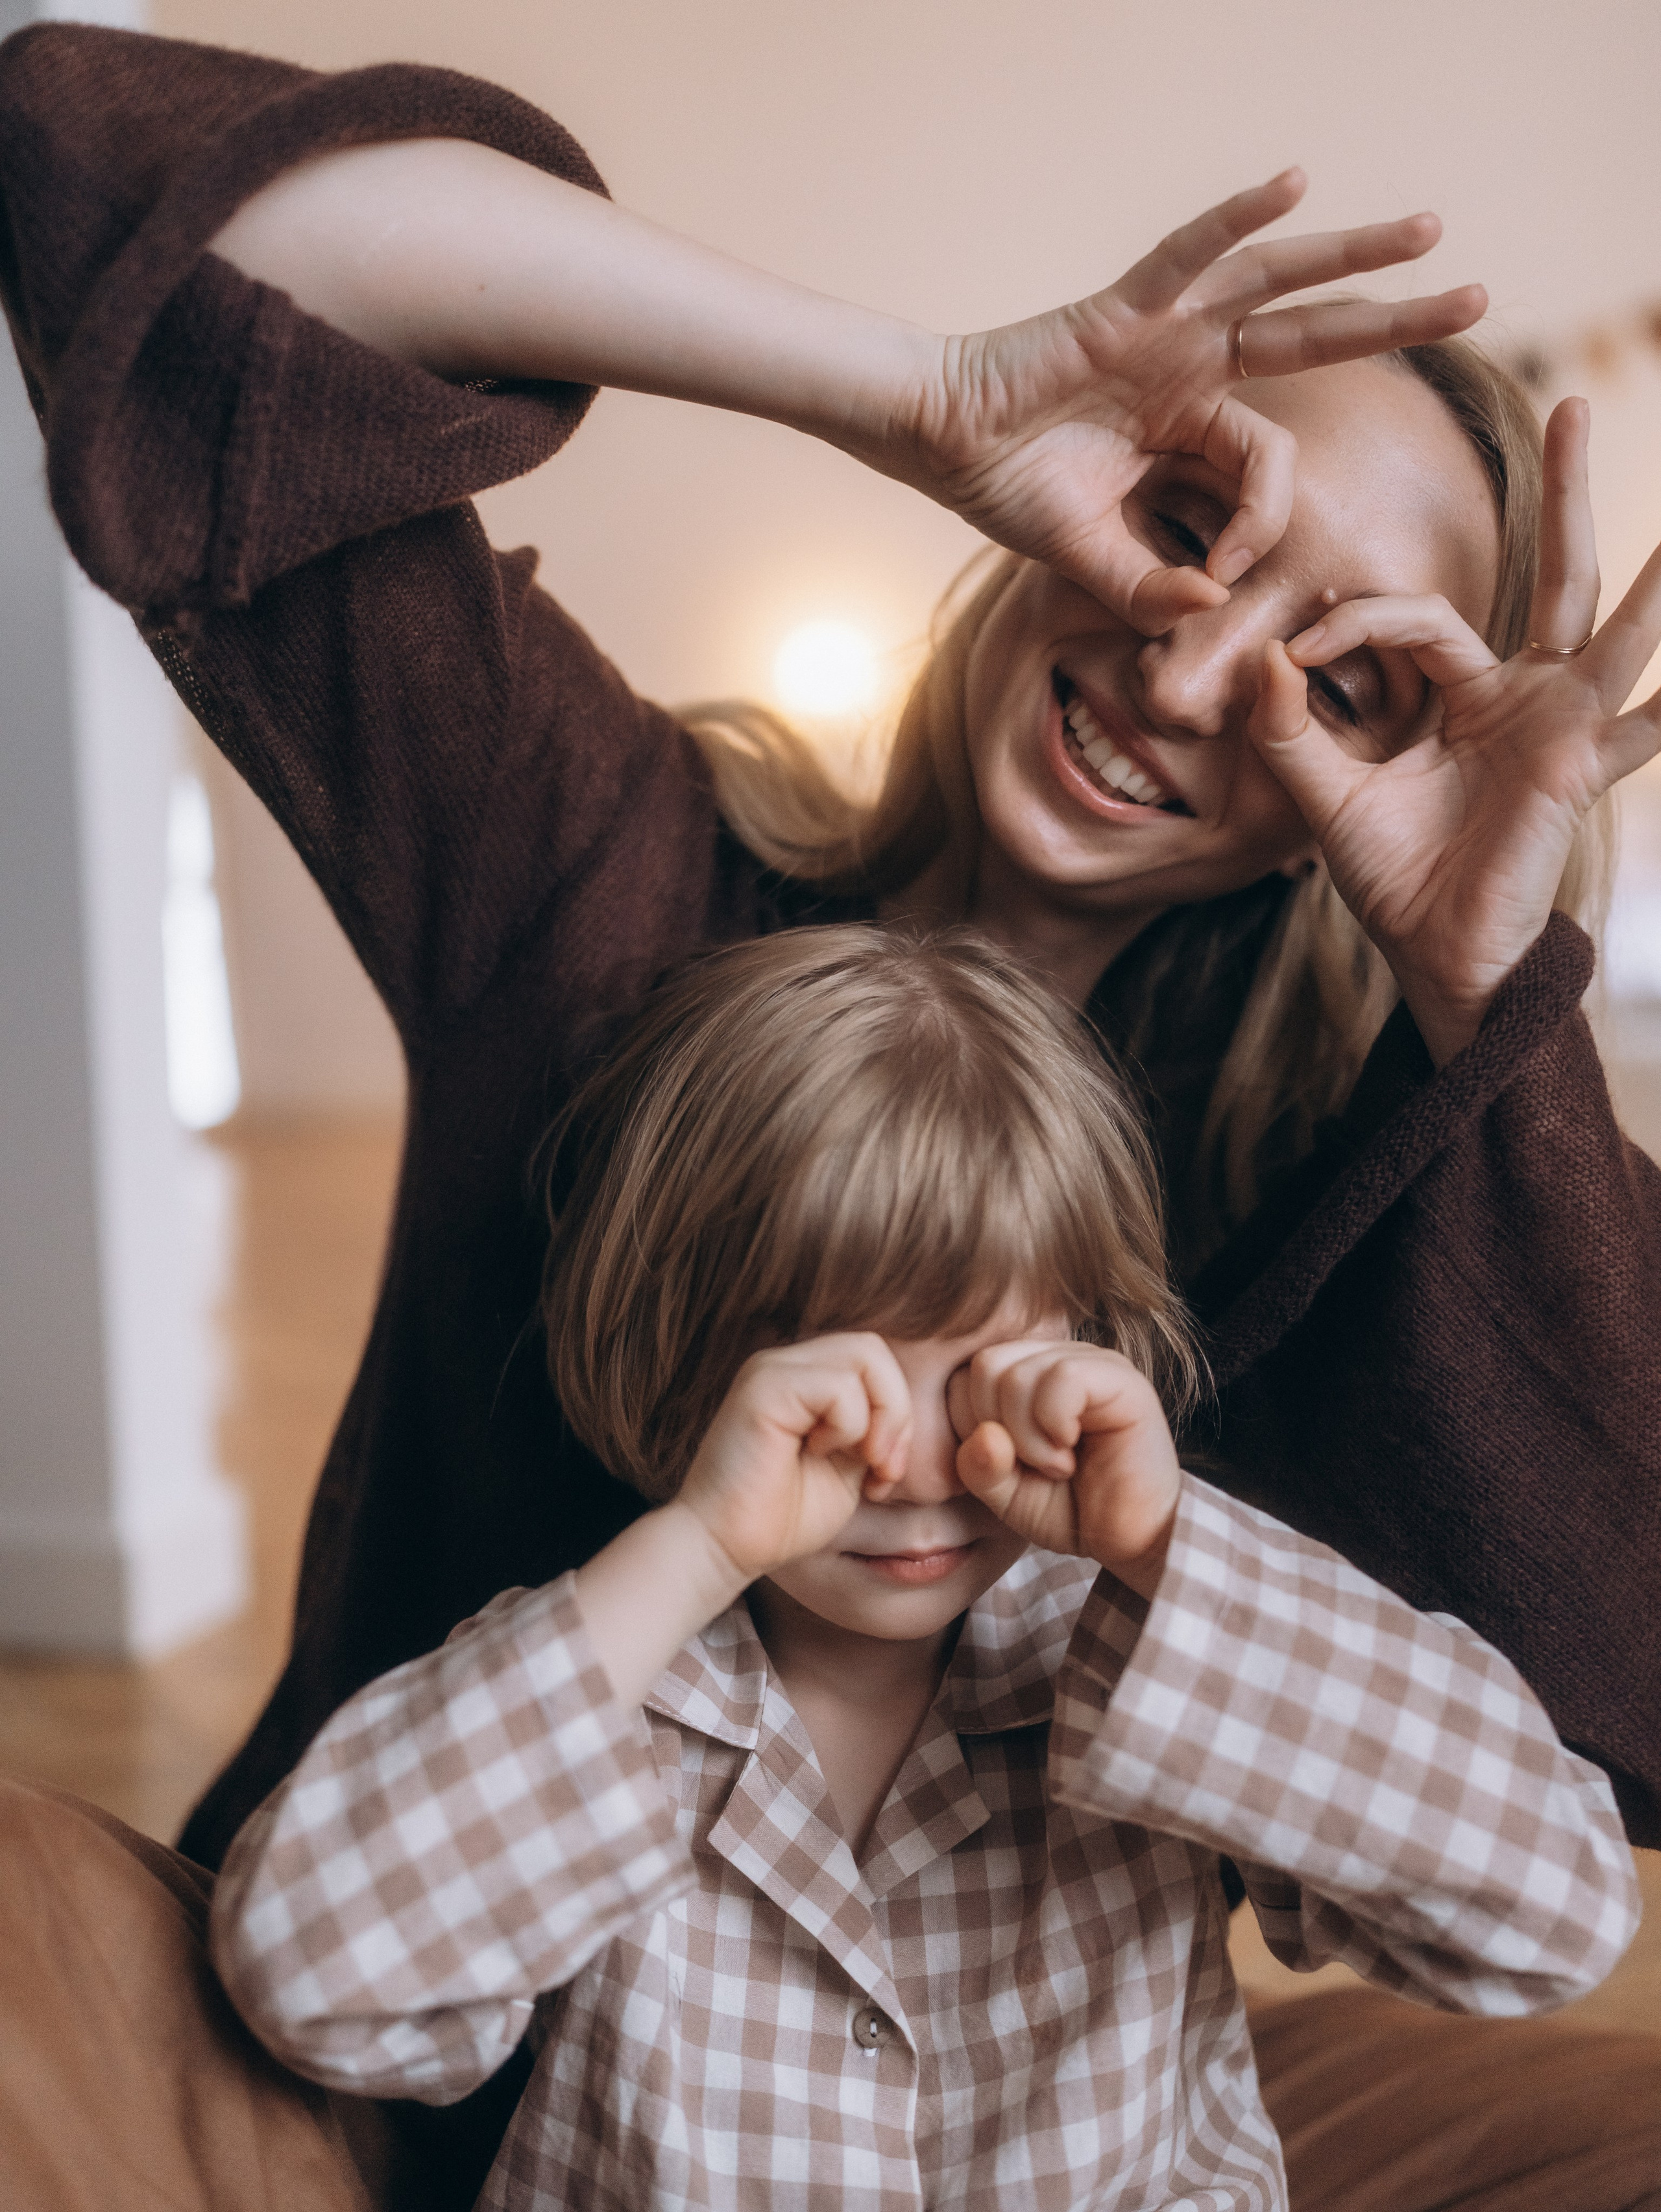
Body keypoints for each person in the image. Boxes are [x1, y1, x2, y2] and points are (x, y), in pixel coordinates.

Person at [1, 16, 1658, 2207]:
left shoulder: (1324, 1187)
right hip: (437, 2050)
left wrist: (1485, 1000)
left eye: (1342, 683)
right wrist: (915, 389)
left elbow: (1604, 1723)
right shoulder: (601, 883)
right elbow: (126, 187)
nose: (1181, 677)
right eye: (1186, 523)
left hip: (1023, 2111)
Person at [205, 924, 1638, 2212]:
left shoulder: (1146, 1632)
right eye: (833, 1386)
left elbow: (1553, 1911)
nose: (911, 1467)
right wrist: (695, 1545)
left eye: (985, 1372)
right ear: (678, 1363)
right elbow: (315, 1978)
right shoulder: (602, 1675)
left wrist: (1162, 1545)